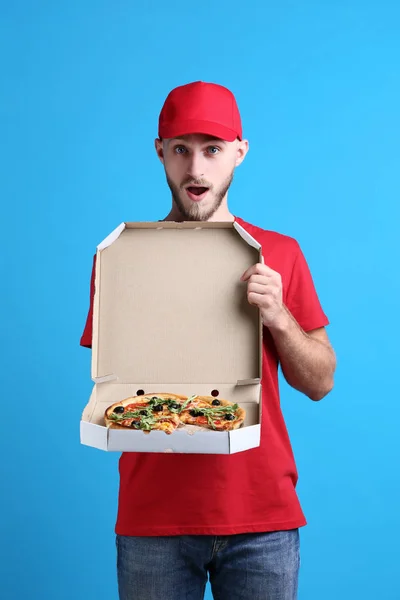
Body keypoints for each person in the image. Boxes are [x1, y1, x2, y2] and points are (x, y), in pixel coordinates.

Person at [80, 81, 336, 600]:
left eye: (212, 150)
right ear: (160, 152)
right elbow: (111, 379)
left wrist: (280, 317)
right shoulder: (121, 257)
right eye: (181, 149)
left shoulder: (280, 253)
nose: (196, 170)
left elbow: (321, 382)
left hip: (262, 517)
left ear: (239, 152)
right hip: (152, 520)